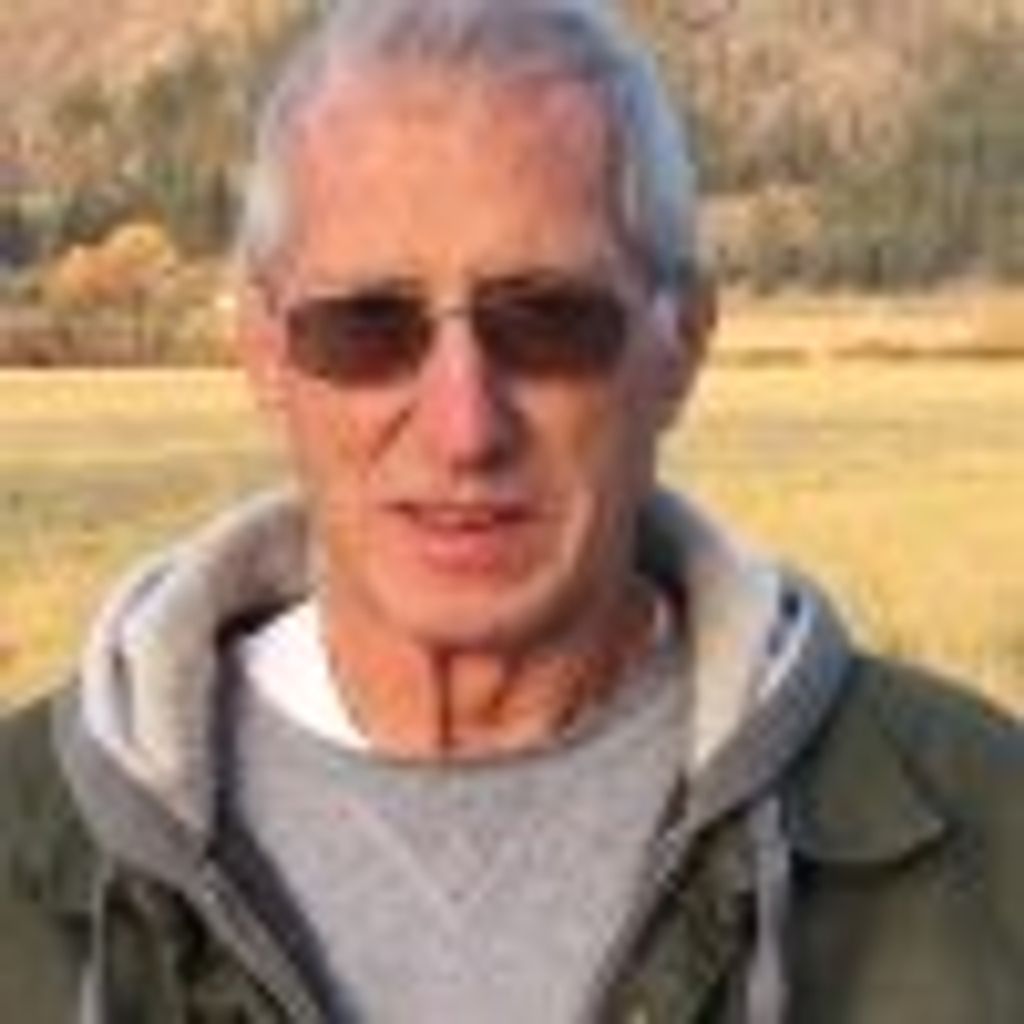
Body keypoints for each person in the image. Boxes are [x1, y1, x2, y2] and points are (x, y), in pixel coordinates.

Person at [2, 1, 1022, 1021]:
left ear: (683, 344)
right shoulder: (25, 853)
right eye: (368, 326)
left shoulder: (983, 836)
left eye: (548, 321)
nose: (463, 428)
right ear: (266, 356)